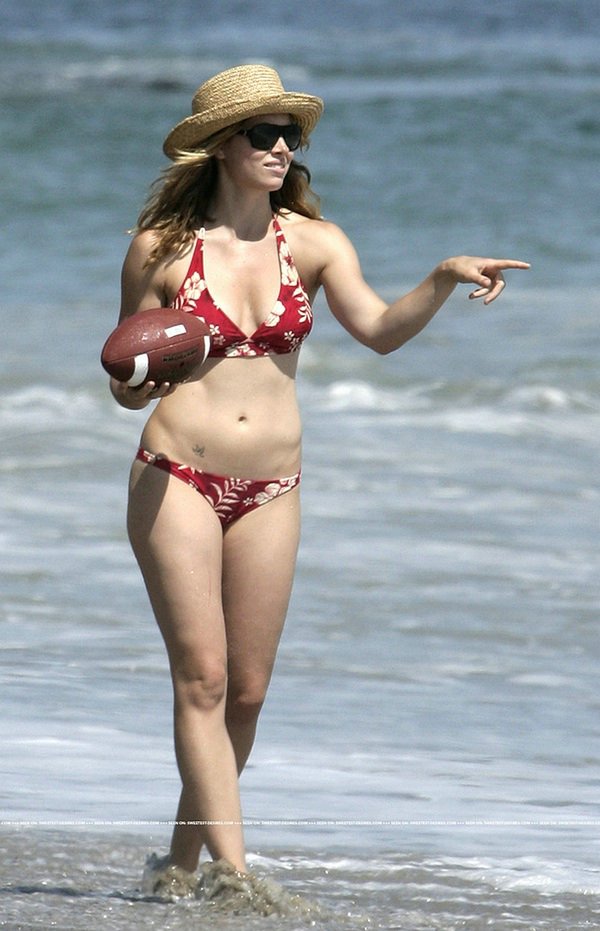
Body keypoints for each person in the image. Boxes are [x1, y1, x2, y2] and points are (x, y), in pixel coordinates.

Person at [109, 63, 529, 900]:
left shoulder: (314, 242)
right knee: (203, 677)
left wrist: (442, 276)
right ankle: (235, 877)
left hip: (272, 486)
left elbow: (379, 329)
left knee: (248, 692)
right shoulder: (161, 249)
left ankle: (180, 868)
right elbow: (123, 378)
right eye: (263, 133)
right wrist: (140, 385)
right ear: (220, 146)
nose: (282, 148)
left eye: (289, 134)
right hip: (176, 475)